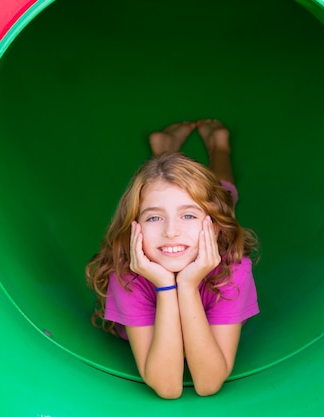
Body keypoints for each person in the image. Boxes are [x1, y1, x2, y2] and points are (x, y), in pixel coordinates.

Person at [85, 120, 259, 399]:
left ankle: (218, 146)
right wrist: (167, 286)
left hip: (212, 242)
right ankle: (164, 154)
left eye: (188, 216)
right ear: (135, 227)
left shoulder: (232, 268)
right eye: (153, 218)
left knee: (222, 199)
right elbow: (167, 388)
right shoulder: (128, 274)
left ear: (211, 227)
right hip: (164, 267)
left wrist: (189, 286)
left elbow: (209, 383)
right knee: (161, 186)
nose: (171, 231)